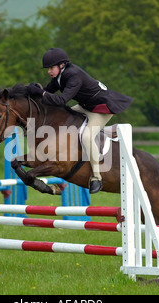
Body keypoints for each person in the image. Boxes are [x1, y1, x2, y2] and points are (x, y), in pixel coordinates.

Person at [27, 48, 133, 194]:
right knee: (61, 118)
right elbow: (47, 92)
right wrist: (32, 91)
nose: (48, 71)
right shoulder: (59, 76)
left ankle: (97, 177)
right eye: (48, 68)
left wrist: (42, 93)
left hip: (100, 109)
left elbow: (61, 100)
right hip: (86, 106)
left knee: (86, 136)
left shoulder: (73, 76)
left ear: (62, 65)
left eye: (51, 68)